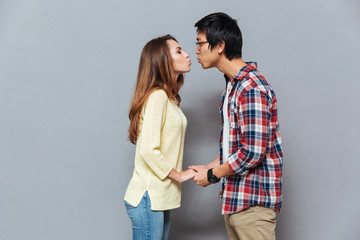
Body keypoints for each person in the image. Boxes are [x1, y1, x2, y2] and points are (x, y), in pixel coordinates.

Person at [190, 12, 283, 240]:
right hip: (237, 202)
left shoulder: (251, 88)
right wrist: (207, 167)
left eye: (200, 43)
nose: (196, 50)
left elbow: (252, 152)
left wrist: (212, 175)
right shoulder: (234, 86)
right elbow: (237, 149)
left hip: (252, 205)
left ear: (219, 45)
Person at [124, 34, 195, 240]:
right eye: (179, 51)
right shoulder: (158, 97)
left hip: (158, 197)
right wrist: (179, 175)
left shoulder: (170, 99)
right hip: (148, 196)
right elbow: (148, 149)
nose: (187, 54)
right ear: (163, 60)